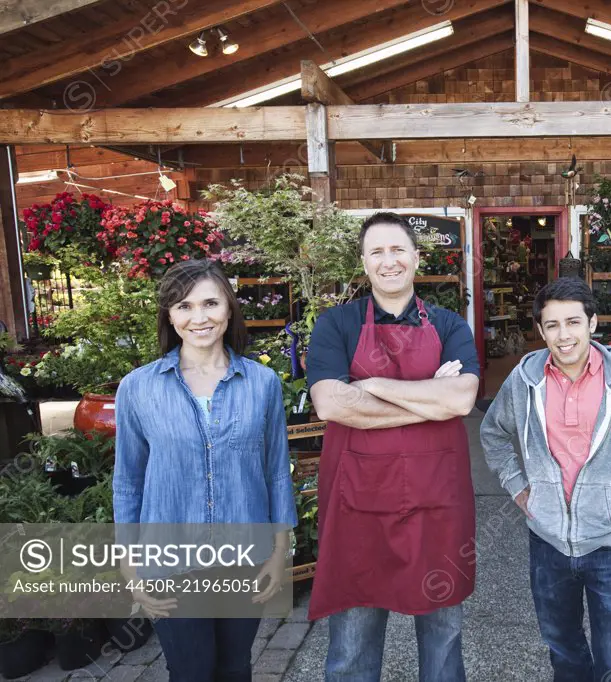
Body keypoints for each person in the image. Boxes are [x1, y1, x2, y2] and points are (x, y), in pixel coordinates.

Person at [480, 277, 611, 682]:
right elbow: (492, 432)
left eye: (573, 322)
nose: (564, 336)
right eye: (553, 325)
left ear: (592, 324)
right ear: (541, 331)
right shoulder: (526, 381)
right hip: (548, 543)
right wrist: (516, 485)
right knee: (563, 648)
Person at [306, 212, 480, 682]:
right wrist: (429, 399)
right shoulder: (335, 324)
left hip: (437, 503)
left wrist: (373, 384)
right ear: (364, 263)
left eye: (398, 249)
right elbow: (332, 403)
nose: (389, 261)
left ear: (417, 258)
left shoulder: (448, 325)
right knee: (352, 645)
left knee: (443, 637)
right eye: (377, 252)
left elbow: (461, 397)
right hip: (360, 504)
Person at [113, 259, 297, 682]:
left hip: (243, 555)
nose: (199, 317)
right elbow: (128, 482)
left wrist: (279, 551)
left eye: (211, 303)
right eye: (183, 306)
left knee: (235, 668)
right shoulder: (138, 388)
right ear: (169, 315)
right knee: (191, 671)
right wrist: (129, 568)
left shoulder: (262, 382)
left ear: (229, 309)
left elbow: (275, 471)